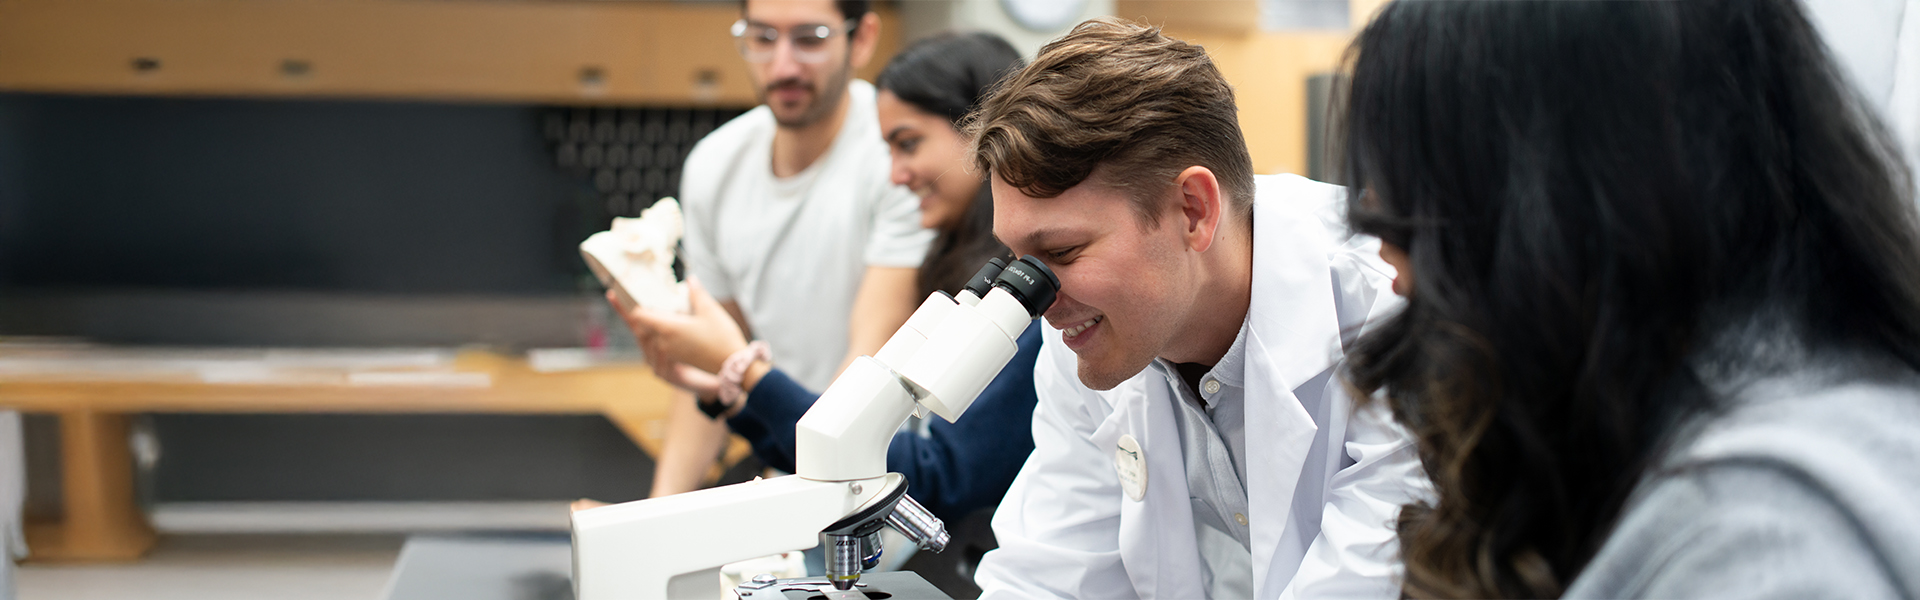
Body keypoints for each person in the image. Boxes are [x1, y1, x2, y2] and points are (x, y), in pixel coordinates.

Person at [1339, 1, 1920, 598]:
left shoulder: (1765, 539)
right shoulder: (1689, 440)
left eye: (1404, 208)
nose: (1390, 263)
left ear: (1545, 216)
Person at [966, 19, 1430, 599]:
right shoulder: (1089, 336)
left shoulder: (1388, 305)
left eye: (1060, 252)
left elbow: (1368, 581)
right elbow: (1051, 574)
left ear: (1193, 209)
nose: (1037, 299)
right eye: (1016, 258)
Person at [620, 31, 1040, 522]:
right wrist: (730, 394)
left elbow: (933, 477)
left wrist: (744, 370)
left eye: (909, 144)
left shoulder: (1029, 296)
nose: (896, 175)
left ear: (985, 134)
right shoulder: (960, 271)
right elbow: (857, 463)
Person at [634, 0, 931, 498]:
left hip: (886, 480)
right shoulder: (715, 165)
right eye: (763, 38)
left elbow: (863, 372)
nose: (784, 65)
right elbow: (714, 360)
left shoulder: (894, 156)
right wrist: (652, 519)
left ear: (861, 38)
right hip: (786, 458)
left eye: (810, 38)